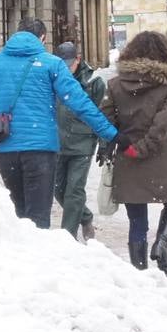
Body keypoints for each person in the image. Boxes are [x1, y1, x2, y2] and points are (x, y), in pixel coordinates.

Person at [0, 18, 123, 229]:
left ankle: (22, 246)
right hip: (40, 150)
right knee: (38, 216)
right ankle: (38, 246)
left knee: (20, 212)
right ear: (42, 38)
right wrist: (112, 134)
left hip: (5, 149)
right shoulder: (52, 64)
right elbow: (80, 103)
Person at [97, 31, 167, 275]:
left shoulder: (115, 84)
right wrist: (146, 146)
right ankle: (161, 245)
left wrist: (125, 144)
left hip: (128, 158)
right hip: (161, 154)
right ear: (165, 53)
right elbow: (166, 120)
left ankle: (140, 270)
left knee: (137, 220)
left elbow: (105, 119)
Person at [51, 42, 106, 241]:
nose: (67, 68)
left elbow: (102, 114)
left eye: (70, 64)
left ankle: (68, 237)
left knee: (74, 190)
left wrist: (104, 143)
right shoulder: (52, 79)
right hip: (57, 144)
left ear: (78, 60)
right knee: (58, 191)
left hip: (83, 144)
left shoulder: (94, 83)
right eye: (63, 64)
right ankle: (85, 216)